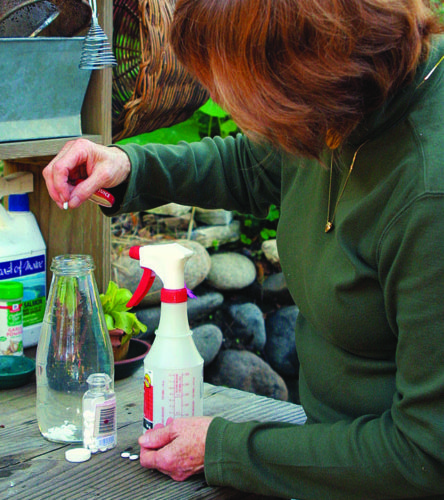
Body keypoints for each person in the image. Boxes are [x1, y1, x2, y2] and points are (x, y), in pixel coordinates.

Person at [43, 0, 444, 498]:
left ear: (305, 69)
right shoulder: (344, 107)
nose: (225, 104)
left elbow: (424, 458)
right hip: (326, 452)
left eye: (237, 89)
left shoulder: (429, 194)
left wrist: (226, 448)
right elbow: (253, 164)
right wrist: (130, 168)